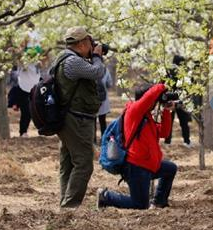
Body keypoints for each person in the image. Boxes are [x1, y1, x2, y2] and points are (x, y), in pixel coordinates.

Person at [97, 83, 177, 209]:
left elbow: (164, 133)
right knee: (139, 204)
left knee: (170, 168)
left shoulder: (147, 117)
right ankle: (106, 196)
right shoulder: (133, 112)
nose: (154, 103)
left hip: (148, 165)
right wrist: (162, 86)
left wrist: (166, 110)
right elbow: (148, 97)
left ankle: (158, 202)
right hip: (136, 167)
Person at [55, 26, 105, 208]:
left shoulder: (64, 58)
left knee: (68, 163)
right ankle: (69, 206)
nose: (92, 47)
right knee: (84, 163)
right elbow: (97, 72)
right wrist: (97, 57)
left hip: (69, 118)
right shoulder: (72, 62)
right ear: (82, 43)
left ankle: (65, 203)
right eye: (90, 44)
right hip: (75, 120)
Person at [164, 55, 192, 148]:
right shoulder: (183, 72)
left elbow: (164, 84)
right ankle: (186, 141)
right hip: (180, 99)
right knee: (183, 122)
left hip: (169, 99)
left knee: (169, 121)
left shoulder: (168, 71)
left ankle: (167, 141)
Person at [95, 66, 113, 143]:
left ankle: (93, 140)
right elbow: (109, 84)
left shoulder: (88, 68)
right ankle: (103, 139)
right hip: (103, 101)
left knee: (92, 121)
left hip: (92, 100)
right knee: (102, 121)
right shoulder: (105, 70)